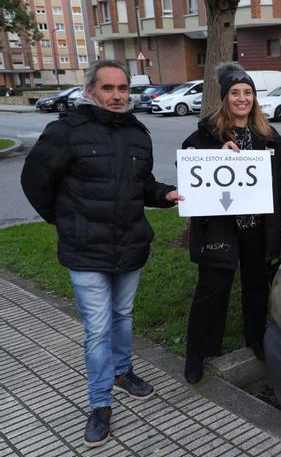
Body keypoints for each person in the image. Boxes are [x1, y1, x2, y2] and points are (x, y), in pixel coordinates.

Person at [20, 59, 182, 448]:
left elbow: (141, 186)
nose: (117, 96)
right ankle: (100, 404)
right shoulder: (65, 131)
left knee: (123, 315)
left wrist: (165, 195)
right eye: (108, 88)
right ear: (91, 90)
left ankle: (123, 372)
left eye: (122, 89)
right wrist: (63, 221)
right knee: (98, 328)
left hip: (129, 244)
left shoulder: (137, 134)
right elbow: (34, 181)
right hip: (85, 250)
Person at [181, 63, 281, 384]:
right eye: (236, 93)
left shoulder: (268, 137)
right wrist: (218, 153)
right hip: (221, 228)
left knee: (257, 287)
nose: (242, 99)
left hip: (258, 228)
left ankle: (255, 339)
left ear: (254, 99)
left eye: (248, 93)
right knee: (211, 290)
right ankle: (197, 353)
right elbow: (190, 164)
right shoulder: (207, 135)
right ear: (225, 99)